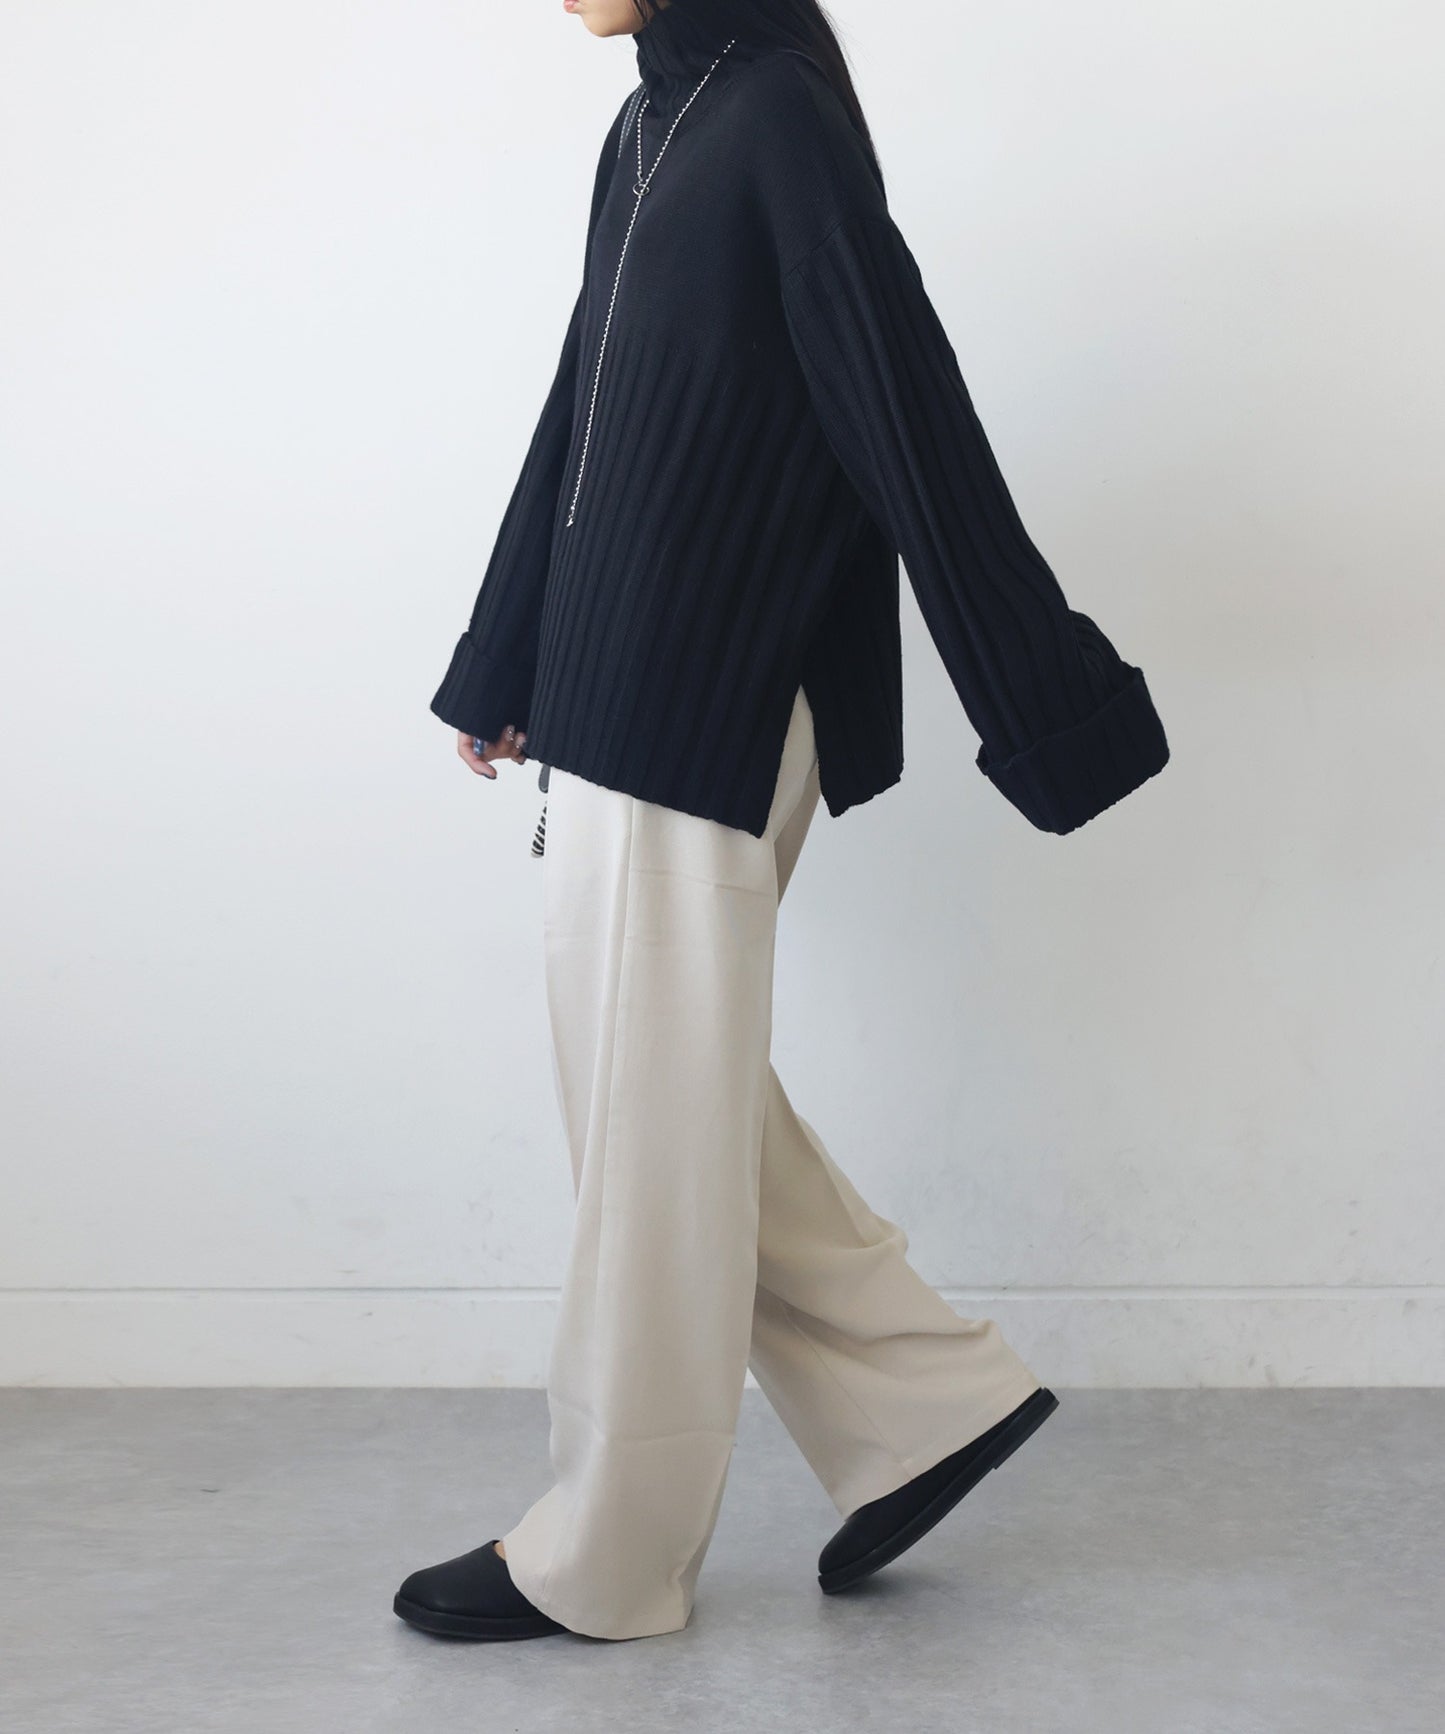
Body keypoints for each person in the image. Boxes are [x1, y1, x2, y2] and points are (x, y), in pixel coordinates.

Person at [395, 0, 1169, 1644]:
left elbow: (905, 410)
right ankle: (923, 1406)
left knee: (649, 1120)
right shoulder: (646, 129)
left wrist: (1047, 704)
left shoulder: (775, 124)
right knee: (660, 1093)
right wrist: (504, 654)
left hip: (721, 685)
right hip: (608, 682)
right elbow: (580, 405)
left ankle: (606, 1551)